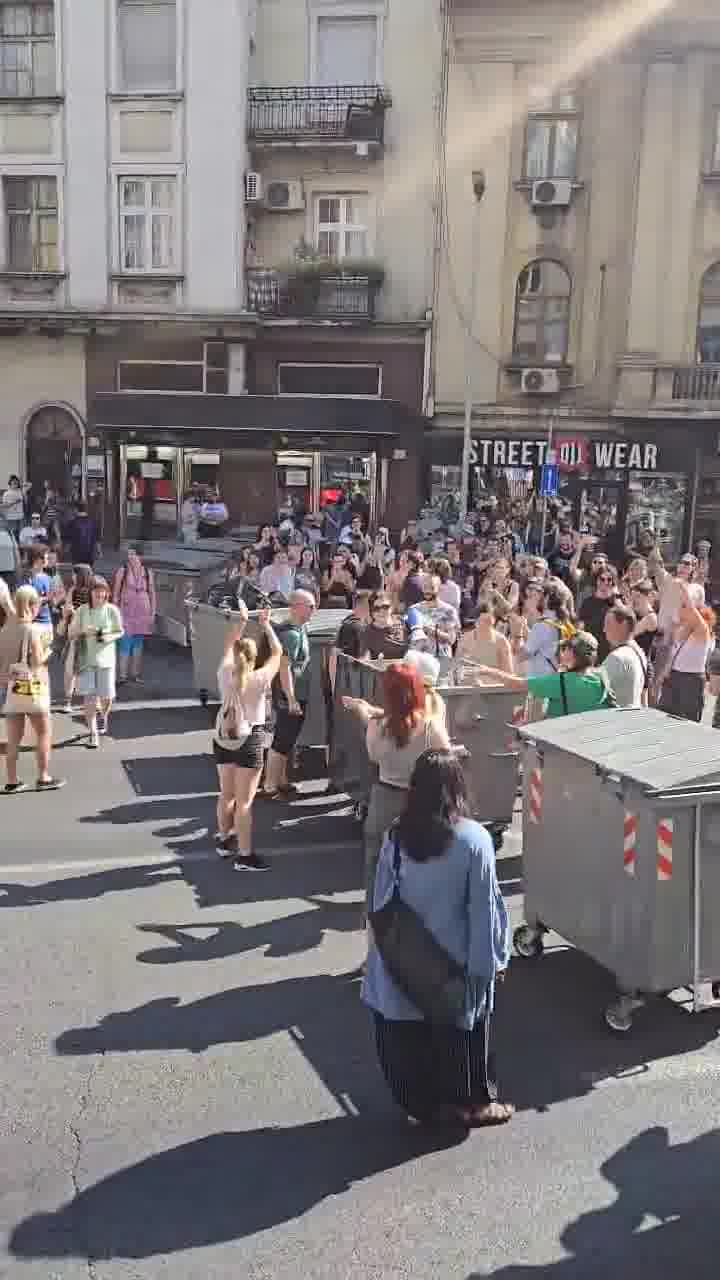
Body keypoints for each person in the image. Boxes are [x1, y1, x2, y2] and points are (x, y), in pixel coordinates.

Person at [363, 749, 513, 1129]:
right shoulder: (474, 840)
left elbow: (379, 902)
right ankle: (472, 1106)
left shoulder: (396, 836)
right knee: (463, 1039)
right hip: (454, 971)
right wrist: (490, 967)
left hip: (401, 970)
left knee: (406, 1044)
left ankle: (420, 1108)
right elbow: (484, 912)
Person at [342, 661, 451, 905]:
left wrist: (364, 712)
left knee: (376, 872)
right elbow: (446, 757)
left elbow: (375, 750)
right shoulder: (431, 728)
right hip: (421, 804)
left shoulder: (376, 728)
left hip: (384, 803)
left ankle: (376, 921)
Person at [213, 604, 283, 870]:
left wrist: (241, 622)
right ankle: (244, 855)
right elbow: (278, 652)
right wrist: (266, 625)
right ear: (254, 659)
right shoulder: (260, 678)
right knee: (245, 802)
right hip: (249, 738)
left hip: (223, 738)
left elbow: (230, 642)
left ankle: (224, 838)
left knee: (226, 793)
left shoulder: (224, 673)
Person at [0, 584, 65, 793]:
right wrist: (48, 652)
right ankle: (43, 777)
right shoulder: (33, 630)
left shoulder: (4, 631)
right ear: (31, 605)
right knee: (44, 733)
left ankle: (12, 781)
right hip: (34, 688)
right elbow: (37, 662)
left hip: (12, 689)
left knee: (13, 740)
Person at [474, 630, 612, 718]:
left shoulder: (562, 681)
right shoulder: (601, 677)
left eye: (566, 648)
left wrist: (486, 670)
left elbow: (516, 683)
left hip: (564, 748)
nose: (562, 652)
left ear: (574, 653)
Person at [263, 589, 316, 798]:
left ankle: (282, 781)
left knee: (288, 740)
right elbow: (284, 668)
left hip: (296, 695)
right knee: (282, 741)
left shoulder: (300, 628)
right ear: (296, 607)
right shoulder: (292, 635)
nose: (314, 610)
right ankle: (269, 786)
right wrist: (292, 698)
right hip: (290, 696)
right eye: (310, 606)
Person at [69, 576, 124, 748]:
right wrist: (83, 631)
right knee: (90, 697)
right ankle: (93, 732)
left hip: (106, 660)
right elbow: (71, 633)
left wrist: (102, 635)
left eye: (103, 591)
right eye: (96, 590)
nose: (100, 594)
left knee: (107, 696)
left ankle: (103, 717)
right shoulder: (83, 611)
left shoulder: (112, 610)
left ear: (107, 592)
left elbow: (120, 631)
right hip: (86, 660)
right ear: (90, 593)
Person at [658, 588, 714, 722]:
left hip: (691, 681)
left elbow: (691, 609)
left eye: (683, 605)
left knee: (688, 724)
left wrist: (682, 588)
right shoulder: (680, 626)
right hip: (674, 676)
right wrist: (666, 670)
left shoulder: (702, 628)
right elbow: (674, 651)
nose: (679, 607)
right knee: (663, 719)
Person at [112, 546, 157, 684]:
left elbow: (152, 592)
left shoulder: (148, 572)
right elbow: (116, 592)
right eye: (129, 554)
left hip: (142, 610)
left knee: (138, 642)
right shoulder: (123, 570)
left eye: (133, 554)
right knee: (125, 641)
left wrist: (153, 612)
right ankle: (122, 675)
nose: (130, 557)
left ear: (140, 557)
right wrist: (115, 611)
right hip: (126, 610)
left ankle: (135, 674)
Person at [58, 563, 93, 715]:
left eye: (74, 574)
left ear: (79, 576)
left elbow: (67, 610)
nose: (72, 576)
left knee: (71, 669)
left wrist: (69, 613)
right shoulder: (92, 591)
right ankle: (92, 701)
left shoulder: (74, 590)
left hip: (77, 633)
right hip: (87, 635)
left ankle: (68, 702)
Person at [601, 603, 647, 708]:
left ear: (623, 625)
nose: (604, 629)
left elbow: (595, 689)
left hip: (619, 719)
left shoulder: (617, 657)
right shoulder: (638, 651)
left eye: (608, 624)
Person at [414, 573, 460, 678]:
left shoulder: (449, 611)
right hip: (420, 663)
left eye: (431, 587)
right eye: (425, 587)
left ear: (439, 589)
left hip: (441, 663)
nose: (427, 591)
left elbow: (451, 639)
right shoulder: (414, 610)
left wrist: (433, 631)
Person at [456, 601, 514, 678]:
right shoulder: (464, 639)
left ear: (493, 621)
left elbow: (509, 673)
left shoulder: (502, 642)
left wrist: (488, 672)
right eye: (483, 621)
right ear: (476, 622)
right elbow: (457, 667)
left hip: (495, 688)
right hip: (470, 687)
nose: (486, 625)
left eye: (488, 621)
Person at [578, 565, 618, 662]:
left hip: (609, 654)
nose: (606, 582)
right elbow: (580, 628)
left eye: (609, 579)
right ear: (596, 580)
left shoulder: (616, 603)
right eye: (602, 579)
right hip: (590, 652)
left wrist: (615, 598)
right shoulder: (587, 602)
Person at [363, 593, 408, 661]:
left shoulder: (403, 622)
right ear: (371, 611)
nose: (381, 611)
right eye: (376, 608)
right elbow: (365, 658)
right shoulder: (367, 632)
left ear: (391, 608)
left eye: (385, 607)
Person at [66, 502, 100, 567]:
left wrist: (66, 552)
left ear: (76, 509)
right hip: (90, 553)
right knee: (88, 571)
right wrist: (98, 551)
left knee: (77, 572)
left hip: (76, 554)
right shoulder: (93, 522)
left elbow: (68, 540)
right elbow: (97, 538)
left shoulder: (72, 523)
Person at [1, 475, 26, 540]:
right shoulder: (6, 493)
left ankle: (18, 548)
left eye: (16, 481)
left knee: (20, 535)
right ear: (10, 483)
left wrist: (22, 485)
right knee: (12, 535)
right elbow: (4, 506)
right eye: (13, 481)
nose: (15, 483)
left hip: (20, 517)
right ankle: (13, 548)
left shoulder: (20, 492)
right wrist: (15, 502)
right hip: (11, 517)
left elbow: (29, 485)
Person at [0, 516, 21, 589]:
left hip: (10, 572)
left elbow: (16, 552)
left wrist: (18, 567)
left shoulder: (10, 534)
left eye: (2, 520)